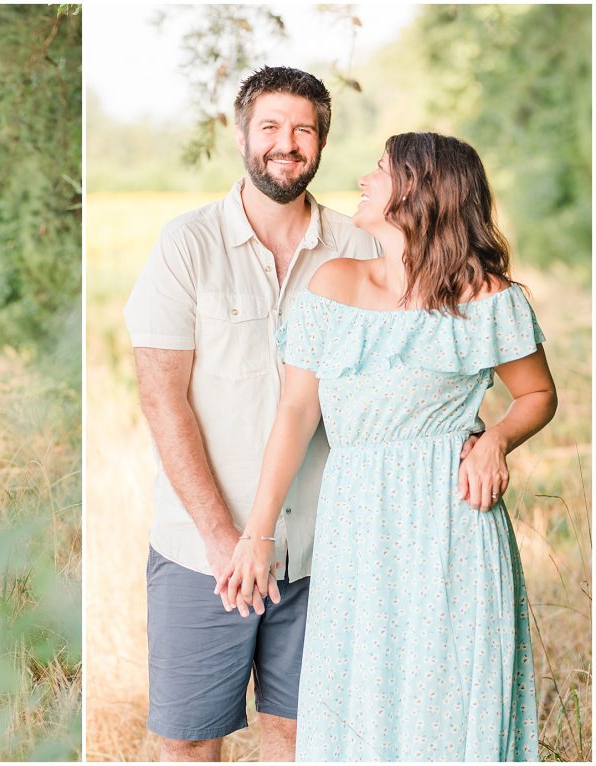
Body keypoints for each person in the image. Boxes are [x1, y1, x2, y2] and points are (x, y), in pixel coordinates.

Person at [217, 132, 556, 760]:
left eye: (381, 169)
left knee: (452, 698)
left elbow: (537, 394)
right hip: (359, 524)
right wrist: (257, 532)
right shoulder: (332, 284)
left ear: (420, 192)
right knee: (358, 696)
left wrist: (496, 441)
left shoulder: (488, 298)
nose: (365, 179)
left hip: (453, 523)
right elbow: (295, 413)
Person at [123, 67, 380, 761]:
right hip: (201, 549)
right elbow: (161, 397)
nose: (285, 143)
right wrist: (219, 536)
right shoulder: (187, 244)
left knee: (303, 735)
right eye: (270, 126)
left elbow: (405, 366)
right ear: (242, 135)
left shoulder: (361, 248)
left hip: (329, 544)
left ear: (321, 143)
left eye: (303, 129)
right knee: (191, 739)